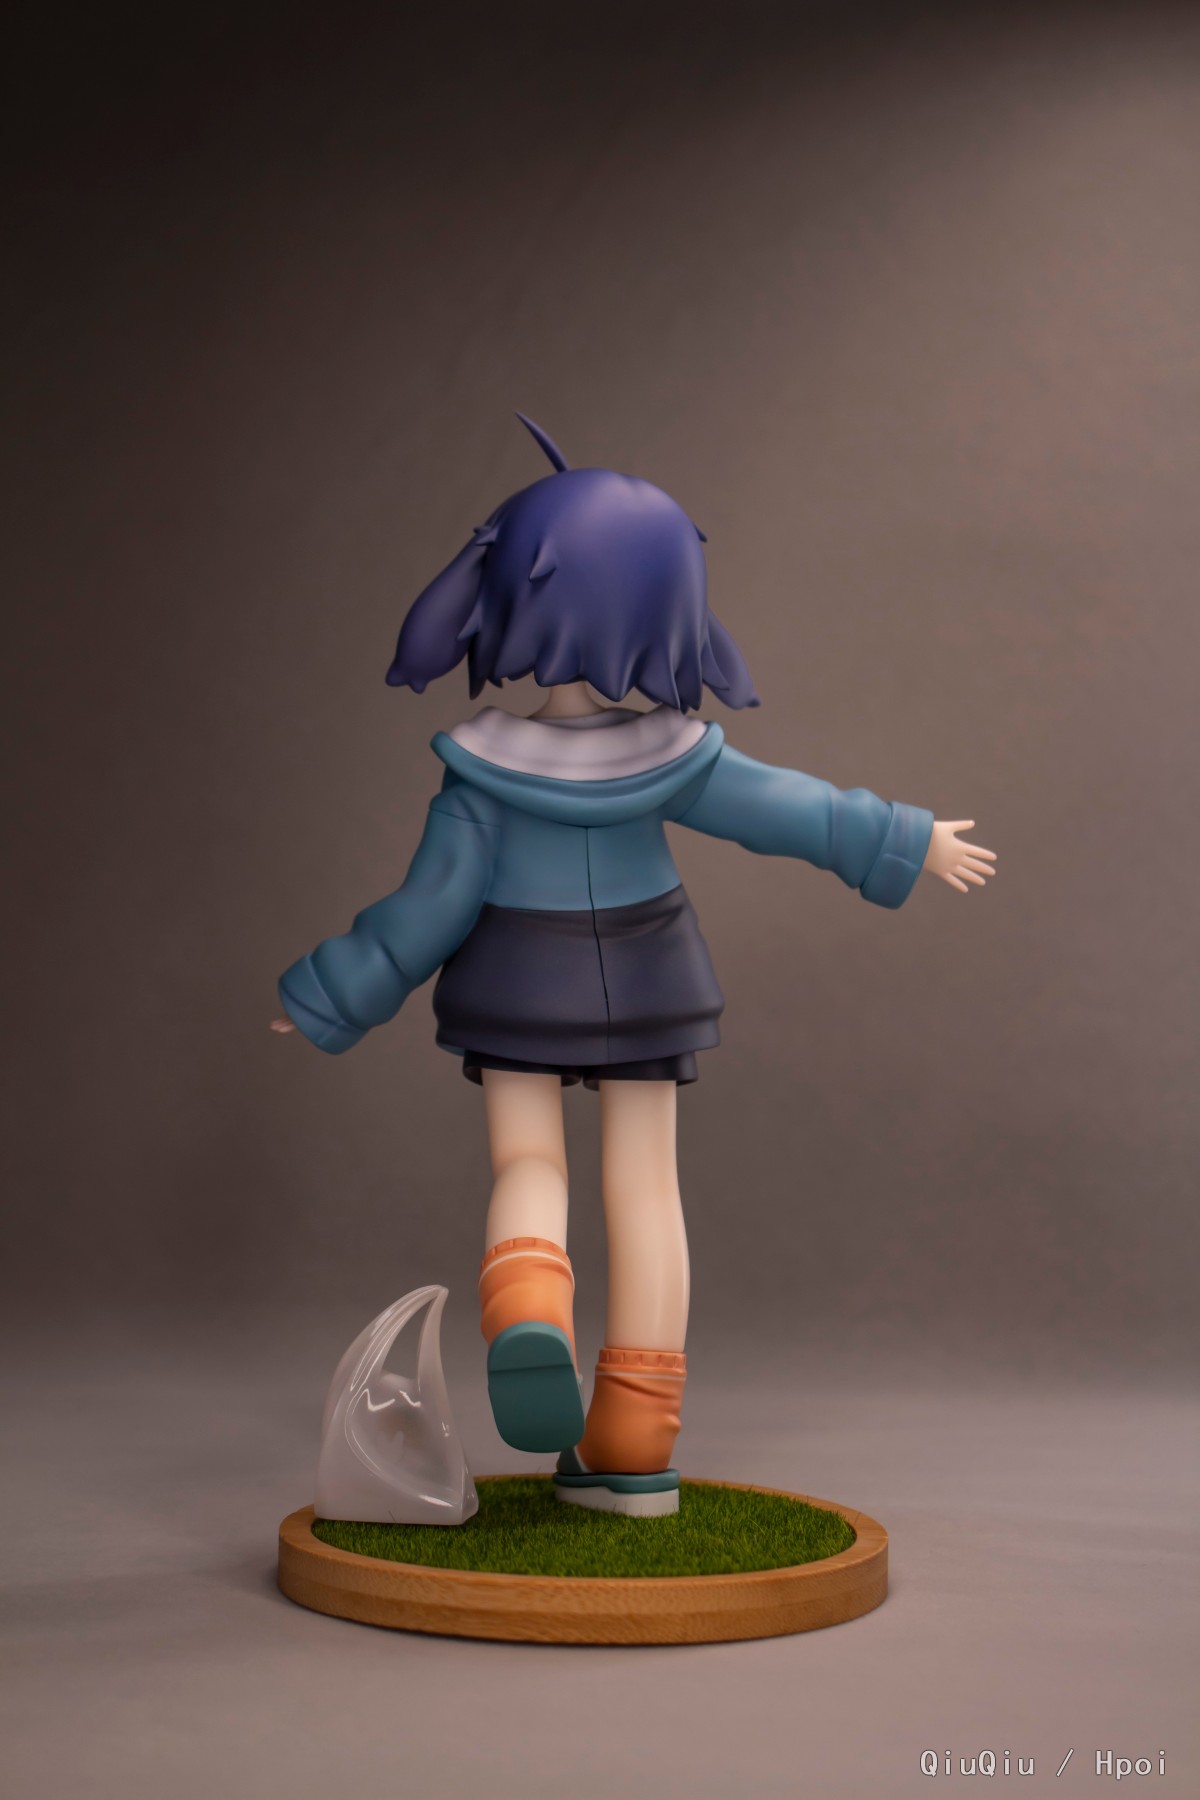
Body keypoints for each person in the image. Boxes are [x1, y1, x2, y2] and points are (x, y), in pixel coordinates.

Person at [272, 415, 996, 1516]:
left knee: (530, 1163)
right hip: (652, 973)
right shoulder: (679, 757)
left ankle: (529, 1308)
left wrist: (331, 993)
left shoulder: (480, 774)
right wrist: (906, 837)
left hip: (516, 978)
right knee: (647, 1189)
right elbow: (791, 809)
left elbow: (425, 912)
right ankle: (632, 1444)